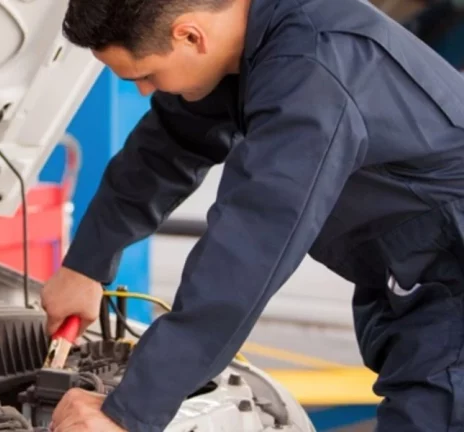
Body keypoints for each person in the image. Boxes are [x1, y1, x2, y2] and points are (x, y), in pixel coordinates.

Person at [40, 0, 464, 430]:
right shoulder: (244, 40)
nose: (144, 92)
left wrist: (128, 412)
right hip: (410, 269)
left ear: (190, 35)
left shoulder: (312, 71)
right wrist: (85, 266)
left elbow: (248, 249)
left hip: (451, 280)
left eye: (146, 75)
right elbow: (167, 146)